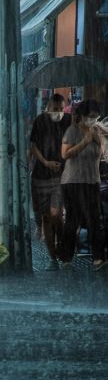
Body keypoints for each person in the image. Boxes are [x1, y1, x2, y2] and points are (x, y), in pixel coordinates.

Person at [60, 99, 106, 270]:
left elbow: (100, 155)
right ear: (82, 116)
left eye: (96, 116)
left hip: (92, 180)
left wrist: (99, 137)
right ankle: (66, 257)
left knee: (95, 220)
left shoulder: (97, 131)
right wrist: (85, 141)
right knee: (73, 219)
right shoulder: (72, 131)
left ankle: (98, 258)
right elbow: (65, 154)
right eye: (90, 116)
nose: (93, 119)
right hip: (73, 181)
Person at [29, 93, 72, 270]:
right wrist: (45, 162)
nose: (59, 112)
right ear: (48, 108)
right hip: (41, 175)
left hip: (61, 175)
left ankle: (63, 250)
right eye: (55, 109)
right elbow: (33, 146)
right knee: (47, 217)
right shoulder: (40, 121)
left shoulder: (69, 120)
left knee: (56, 213)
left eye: (61, 109)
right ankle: (52, 257)